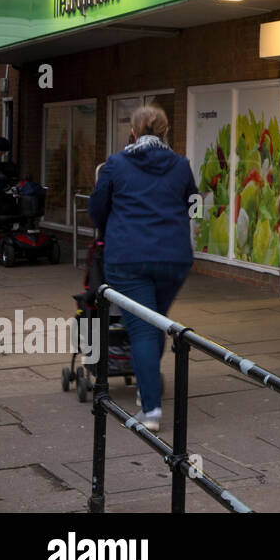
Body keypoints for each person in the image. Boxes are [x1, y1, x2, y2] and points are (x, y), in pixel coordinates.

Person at [89, 105, 197, 432]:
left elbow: (97, 209)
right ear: (165, 133)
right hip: (173, 259)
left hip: (128, 259)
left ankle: (150, 410)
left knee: (141, 330)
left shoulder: (116, 165)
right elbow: (194, 206)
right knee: (156, 324)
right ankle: (146, 389)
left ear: (133, 133)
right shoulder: (181, 166)